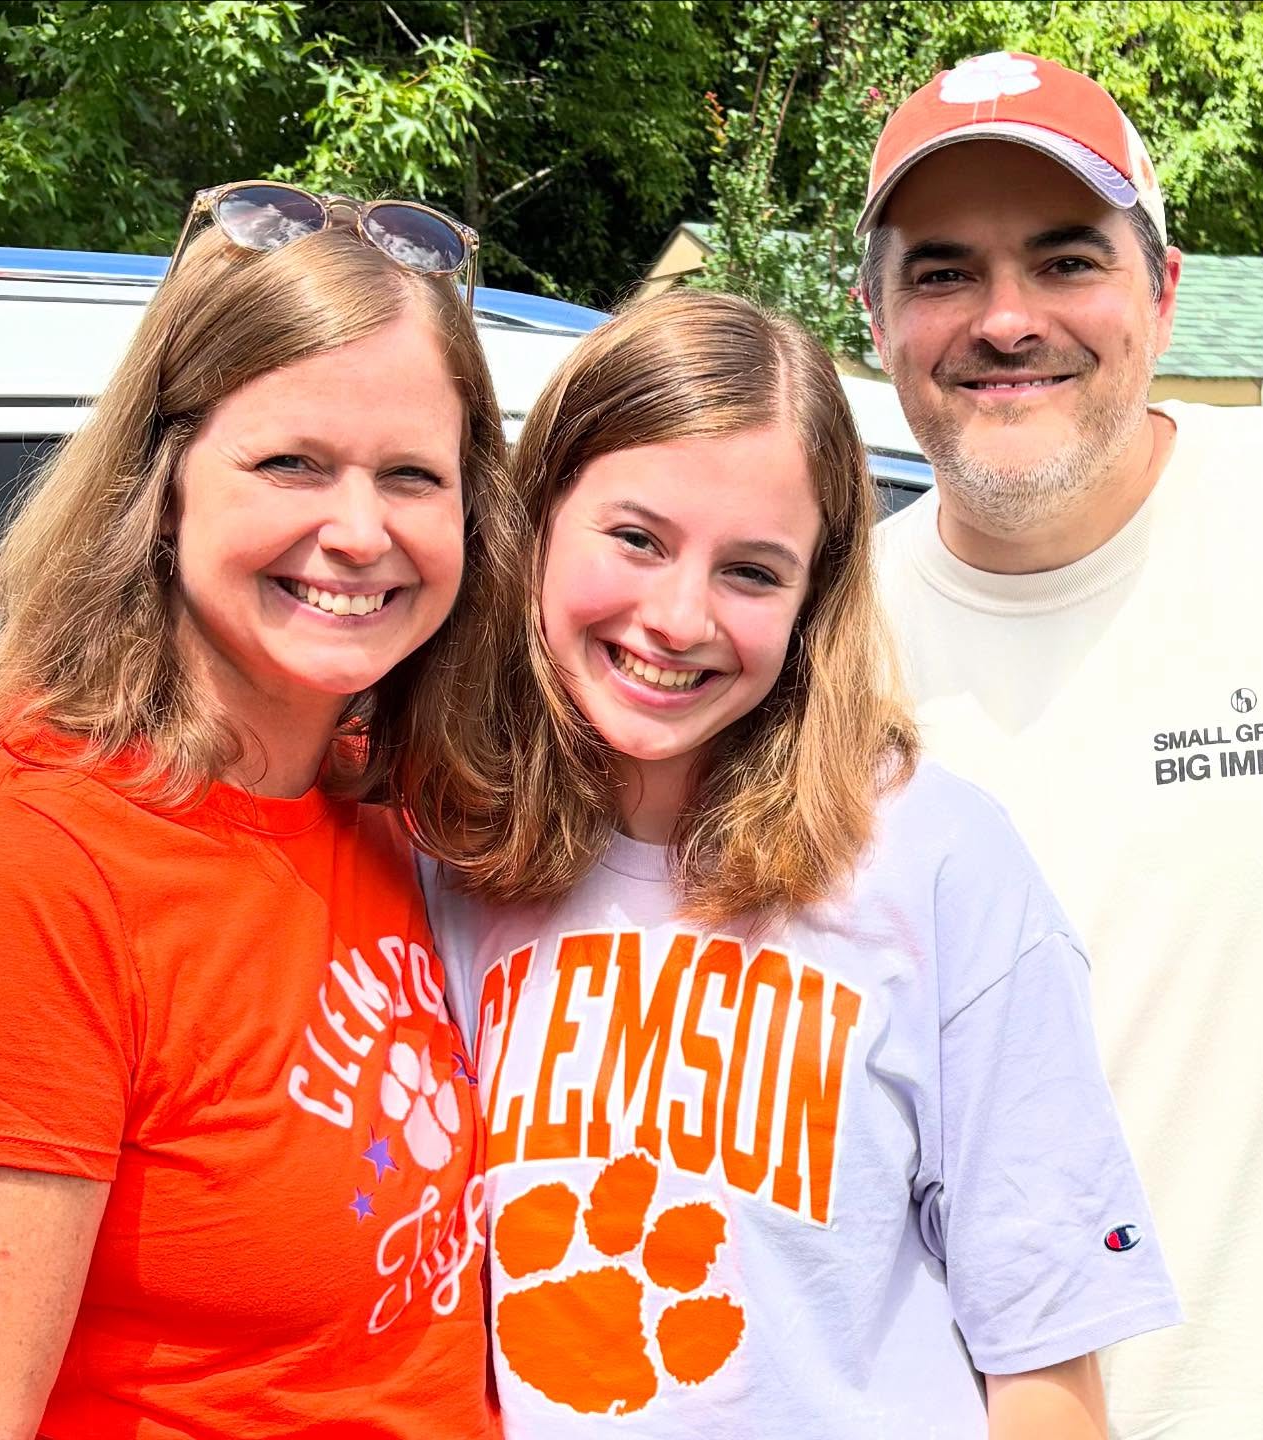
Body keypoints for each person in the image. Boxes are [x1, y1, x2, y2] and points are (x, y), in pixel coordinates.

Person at [413, 288, 1181, 1439]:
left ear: (815, 600)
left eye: (754, 572)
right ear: (535, 521)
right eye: (637, 538)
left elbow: (1047, 1368)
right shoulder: (431, 842)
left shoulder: (938, 865)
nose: (679, 617)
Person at [859, 52, 1263, 1439]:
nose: (1005, 319)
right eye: (941, 273)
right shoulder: (803, 650)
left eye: (1064, 260)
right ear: (871, 318)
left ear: (1164, 292)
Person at [0, 182, 513, 1438]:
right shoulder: (31, 855)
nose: (360, 531)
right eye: (292, 464)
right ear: (162, 481)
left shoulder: (398, 811)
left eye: (413, 476)